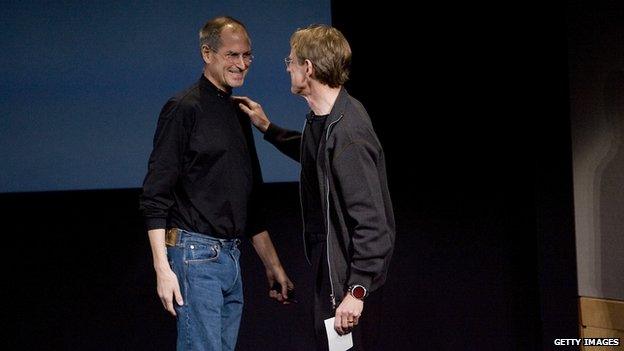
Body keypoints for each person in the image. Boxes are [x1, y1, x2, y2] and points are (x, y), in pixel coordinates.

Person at [234, 24, 395, 350]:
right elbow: (316, 153)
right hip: (333, 271)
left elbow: (373, 224)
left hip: (349, 283)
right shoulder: (323, 120)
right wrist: (268, 128)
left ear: (307, 68)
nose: (288, 67)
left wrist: (357, 291)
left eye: (291, 61)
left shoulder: (348, 132)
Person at [139, 16, 293, 351]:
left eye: (247, 56)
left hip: (230, 257)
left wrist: (273, 265)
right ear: (207, 54)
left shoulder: (239, 112)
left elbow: (249, 198)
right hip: (194, 254)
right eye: (232, 55)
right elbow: (155, 194)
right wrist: (162, 269)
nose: (241, 64)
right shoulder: (183, 108)